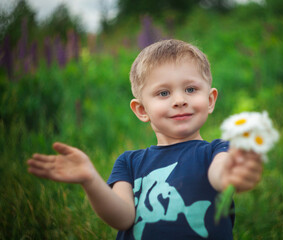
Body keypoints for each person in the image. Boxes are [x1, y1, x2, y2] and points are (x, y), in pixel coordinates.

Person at [27, 39, 263, 240]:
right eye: (164, 93)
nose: (180, 100)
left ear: (210, 100)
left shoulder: (217, 151)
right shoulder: (129, 163)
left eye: (191, 89)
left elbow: (221, 175)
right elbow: (122, 217)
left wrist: (235, 173)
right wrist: (90, 180)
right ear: (141, 110)